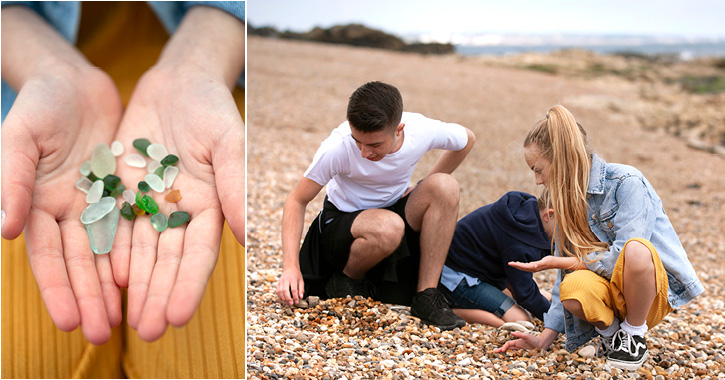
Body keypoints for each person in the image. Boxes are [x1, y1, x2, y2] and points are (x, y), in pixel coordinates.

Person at [1, 2, 244, 377]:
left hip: (210, 76)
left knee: (217, 363)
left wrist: (200, 58)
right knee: (31, 364)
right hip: (30, 94)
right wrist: (46, 67)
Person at [494, 105, 704, 371]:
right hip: (609, 297)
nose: (537, 181)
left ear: (562, 158)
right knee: (572, 288)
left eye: (538, 170)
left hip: (649, 293)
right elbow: (562, 285)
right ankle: (614, 335)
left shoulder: (626, 181)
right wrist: (544, 338)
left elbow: (624, 257)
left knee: (635, 250)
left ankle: (633, 334)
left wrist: (567, 262)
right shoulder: (566, 203)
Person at [275, 81, 476, 330]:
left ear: (399, 129)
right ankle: (347, 280)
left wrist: (423, 184)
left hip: (394, 211)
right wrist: (290, 268)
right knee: (388, 226)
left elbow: (467, 139)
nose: (364, 152)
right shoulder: (337, 148)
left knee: (445, 186)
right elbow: (297, 200)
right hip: (341, 224)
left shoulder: (421, 129)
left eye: (374, 145)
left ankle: (426, 296)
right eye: (357, 140)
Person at [441, 189, 553, 327]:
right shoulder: (519, 243)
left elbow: (518, 284)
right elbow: (525, 295)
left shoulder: (525, 214)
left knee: (542, 297)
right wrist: (557, 321)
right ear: (548, 215)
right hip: (456, 280)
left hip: (476, 270)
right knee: (521, 318)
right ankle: (450, 311)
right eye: (568, 227)